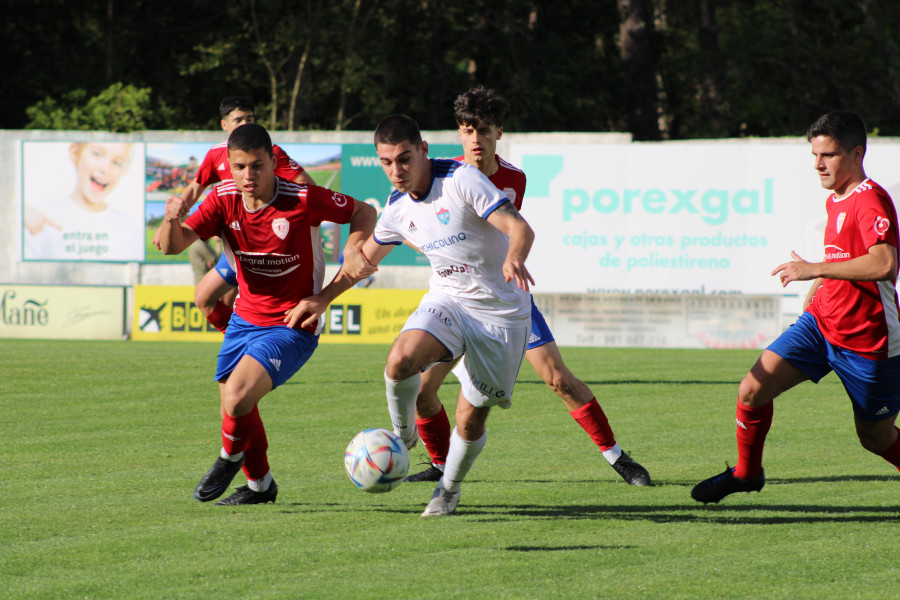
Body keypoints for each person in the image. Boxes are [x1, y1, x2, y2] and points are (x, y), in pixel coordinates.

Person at [404, 86, 651, 487]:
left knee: (558, 378)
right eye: (467, 131)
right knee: (421, 389)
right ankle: (440, 465)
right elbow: (406, 222)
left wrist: (513, 258)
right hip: (457, 302)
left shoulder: (512, 178)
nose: (475, 140)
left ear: (498, 133)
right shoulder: (439, 175)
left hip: (505, 300)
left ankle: (617, 456)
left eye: (483, 131)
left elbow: (512, 232)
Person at [300, 114, 536, 516]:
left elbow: (520, 228)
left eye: (405, 159)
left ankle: (449, 488)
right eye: (387, 162)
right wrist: (323, 299)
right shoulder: (394, 208)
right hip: (448, 299)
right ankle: (401, 435)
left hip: (500, 313)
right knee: (399, 361)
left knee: (470, 418)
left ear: (424, 150)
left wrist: (514, 258)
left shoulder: (462, 179)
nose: (396, 170)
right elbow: (362, 263)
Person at [158, 123, 376, 505]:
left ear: (274, 162)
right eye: (240, 166)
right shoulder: (222, 200)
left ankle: (229, 457)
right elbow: (171, 246)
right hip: (244, 320)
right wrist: (171, 217)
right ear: (230, 164)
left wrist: (354, 249)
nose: (248, 176)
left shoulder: (302, 199)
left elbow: (364, 211)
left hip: (293, 323)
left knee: (238, 397)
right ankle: (260, 487)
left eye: (258, 165)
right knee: (237, 406)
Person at [692, 110, 900, 504]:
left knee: (875, 436)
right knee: (752, 389)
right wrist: (822, 282)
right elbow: (845, 254)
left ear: (857, 154)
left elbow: (885, 263)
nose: (819, 164)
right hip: (821, 325)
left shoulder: (869, 199)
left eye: (830, 155)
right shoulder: (836, 199)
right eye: (815, 155)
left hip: (868, 342)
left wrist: (814, 269)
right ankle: (746, 474)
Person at [155, 96, 317, 332]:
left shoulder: (269, 152)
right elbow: (194, 188)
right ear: (224, 125)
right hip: (234, 245)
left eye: (250, 119)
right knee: (205, 298)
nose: (245, 124)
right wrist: (167, 224)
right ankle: (243, 346)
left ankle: (256, 347)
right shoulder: (216, 154)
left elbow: (307, 189)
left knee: (231, 303)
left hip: (265, 243)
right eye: (238, 119)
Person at [24, 142, 143, 261]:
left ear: (125, 171)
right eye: (97, 154)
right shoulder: (37, 218)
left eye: (117, 163)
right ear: (75, 152)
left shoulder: (130, 230)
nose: (106, 169)